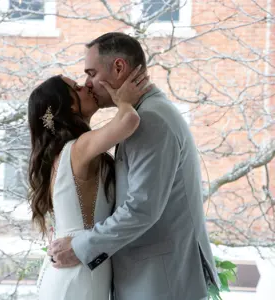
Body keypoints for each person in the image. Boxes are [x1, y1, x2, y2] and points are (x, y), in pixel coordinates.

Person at [48, 32, 221, 300]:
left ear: (118, 67)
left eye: (91, 73)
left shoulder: (150, 121)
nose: (88, 83)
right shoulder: (144, 114)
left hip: (159, 284)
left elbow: (141, 210)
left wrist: (80, 247)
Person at [27, 67, 151, 300]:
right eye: (77, 88)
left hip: (74, 268)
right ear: (70, 106)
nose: (86, 86)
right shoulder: (77, 148)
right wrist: (121, 99)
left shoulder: (64, 152)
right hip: (79, 271)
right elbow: (129, 119)